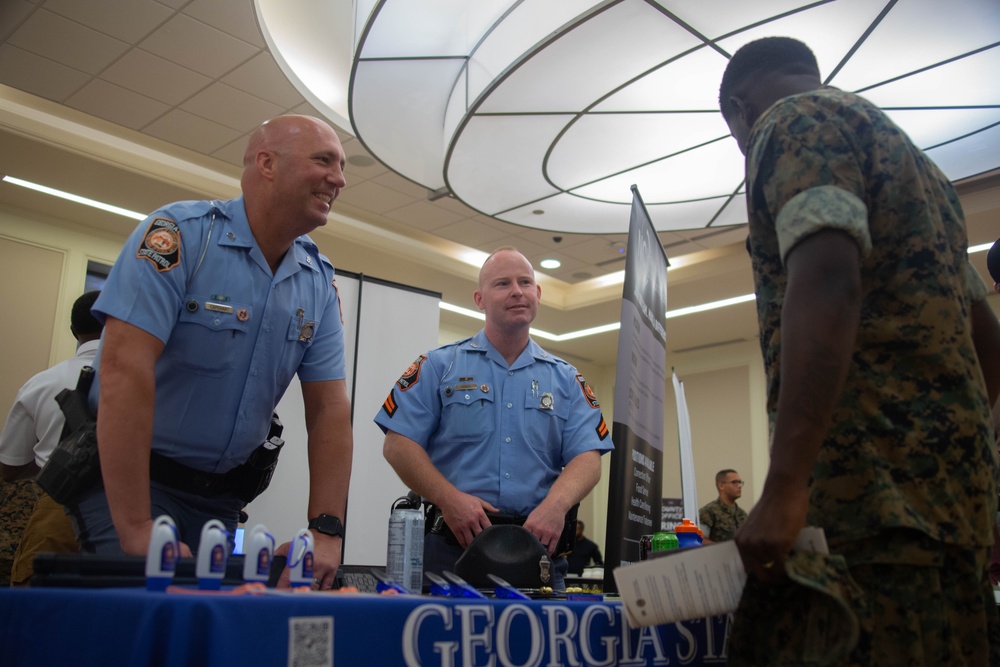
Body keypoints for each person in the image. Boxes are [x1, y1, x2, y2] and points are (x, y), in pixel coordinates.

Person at [718, 37, 1000, 664]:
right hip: (953, 521)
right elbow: (987, 341)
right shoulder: (922, 173)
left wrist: (788, 485)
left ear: (739, 109)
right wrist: (963, 474)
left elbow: (828, 279)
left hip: (868, 514)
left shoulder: (790, 121)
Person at [70, 115, 354, 590]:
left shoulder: (317, 280)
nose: (339, 178)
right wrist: (139, 526)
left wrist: (326, 530)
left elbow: (328, 408)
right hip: (134, 482)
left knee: (204, 632)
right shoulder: (179, 236)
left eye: (342, 166)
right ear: (266, 163)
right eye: (323, 160)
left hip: (220, 498)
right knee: (151, 625)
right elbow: (123, 368)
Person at [375, 247, 614, 591]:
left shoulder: (566, 380)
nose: (517, 291)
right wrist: (449, 498)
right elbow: (397, 444)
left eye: (525, 282)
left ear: (538, 294)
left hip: (538, 552)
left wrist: (556, 507)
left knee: (540, 646)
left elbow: (588, 459)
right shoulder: (440, 366)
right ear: (479, 299)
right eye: (502, 283)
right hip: (451, 552)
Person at [0, 291, 102, 585]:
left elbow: (9, 468)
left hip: (58, 510)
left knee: (38, 612)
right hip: (133, 512)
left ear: (73, 332)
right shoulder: (153, 380)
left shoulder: (41, 383)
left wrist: (52, 462)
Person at [698, 468, 747, 544]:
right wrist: (723, 550)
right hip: (717, 555)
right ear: (721, 485)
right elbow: (701, 540)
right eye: (735, 482)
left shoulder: (742, 514)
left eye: (740, 482)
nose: (739, 486)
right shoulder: (708, 512)